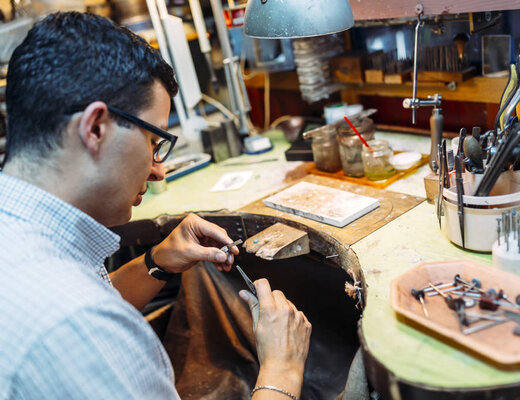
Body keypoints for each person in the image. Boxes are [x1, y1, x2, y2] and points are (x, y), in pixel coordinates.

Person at [0, 11, 311, 400]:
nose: (158, 171)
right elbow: (86, 314)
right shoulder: (77, 324)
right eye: (153, 143)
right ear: (96, 128)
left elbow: (95, 293)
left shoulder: (24, 237)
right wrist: (282, 369)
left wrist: (157, 261)